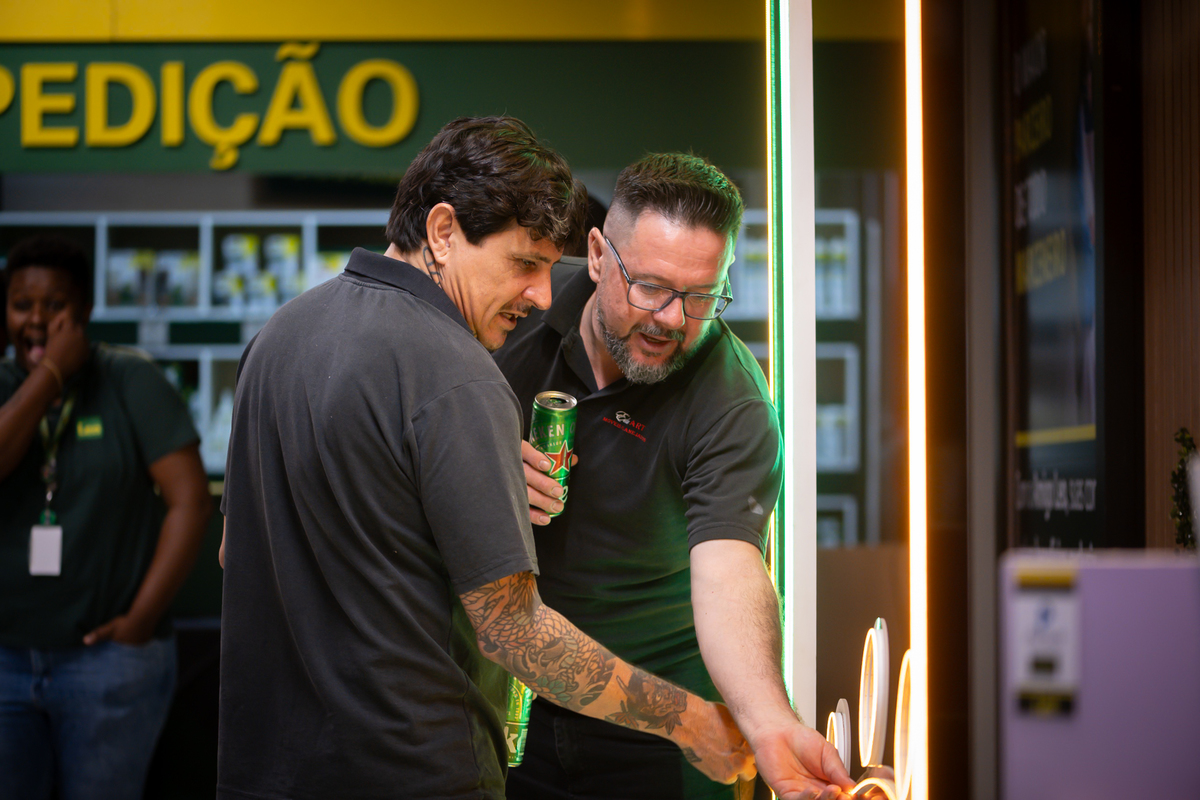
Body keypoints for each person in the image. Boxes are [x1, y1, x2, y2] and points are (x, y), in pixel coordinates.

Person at [217, 117, 756, 800]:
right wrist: (689, 721)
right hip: (414, 771)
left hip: (266, 771)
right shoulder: (460, 375)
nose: (541, 295)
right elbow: (515, 632)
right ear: (443, 231)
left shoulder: (277, 337)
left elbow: (237, 551)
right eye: (524, 263)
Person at [494, 153, 856, 800]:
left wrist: (769, 723)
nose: (671, 319)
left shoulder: (732, 399)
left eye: (700, 297)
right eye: (651, 287)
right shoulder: (515, 312)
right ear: (598, 255)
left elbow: (731, 567)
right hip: (509, 703)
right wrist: (482, 471)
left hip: (666, 724)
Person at [0, 235, 212, 800]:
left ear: (85, 309)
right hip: (5, 660)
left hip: (107, 662)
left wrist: (139, 622)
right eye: (21, 305)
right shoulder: (4, 385)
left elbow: (191, 502)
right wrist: (50, 375)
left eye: (55, 305)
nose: (37, 320)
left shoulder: (130, 380)